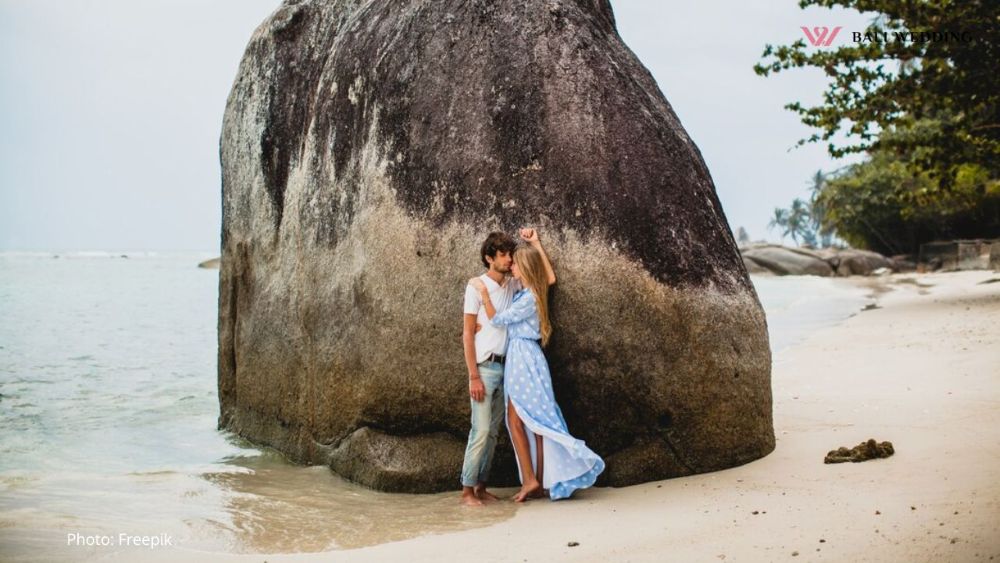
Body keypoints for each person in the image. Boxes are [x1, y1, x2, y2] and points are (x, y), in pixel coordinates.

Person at [472, 237, 605, 502]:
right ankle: (539, 481)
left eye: (517, 265)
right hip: (527, 357)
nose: (512, 269)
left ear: (526, 269)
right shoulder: (532, 290)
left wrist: (484, 295)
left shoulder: (528, 297)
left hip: (522, 358)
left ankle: (533, 480)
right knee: (532, 421)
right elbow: (551, 277)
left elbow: (498, 319)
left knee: (517, 420)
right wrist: (538, 244)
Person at [459, 229, 555, 506]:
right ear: (489, 258)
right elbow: (467, 333)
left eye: (511, 255)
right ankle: (466, 491)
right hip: (485, 367)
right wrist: (473, 376)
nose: (510, 261)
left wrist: (535, 242)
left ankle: (480, 487)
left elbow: (546, 280)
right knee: (480, 430)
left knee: (493, 431)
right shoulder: (476, 286)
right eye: (503, 256)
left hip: (509, 365)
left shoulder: (514, 285)